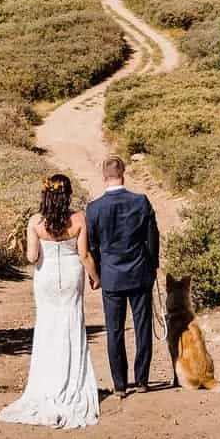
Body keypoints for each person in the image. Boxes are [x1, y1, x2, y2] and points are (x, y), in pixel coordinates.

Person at [0, 173, 101, 428]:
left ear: (46, 194)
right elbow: (84, 254)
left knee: (47, 327)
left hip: (46, 279)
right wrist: (95, 276)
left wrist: (23, 243)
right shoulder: (78, 219)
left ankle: (48, 382)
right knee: (71, 324)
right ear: (67, 195)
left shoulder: (35, 221)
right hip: (71, 275)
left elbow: (32, 257)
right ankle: (71, 381)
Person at [85, 155, 160, 396]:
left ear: (104, 176)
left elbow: (93, 245)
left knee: (114, 330)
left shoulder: (94, 208)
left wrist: (95, 273)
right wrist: (152, 267)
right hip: (139, 273)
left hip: (111, 276)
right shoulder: (141, 201)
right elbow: (152, 239)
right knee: (142, 327)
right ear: (123, 173)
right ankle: (142, 380)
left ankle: (119, 384)